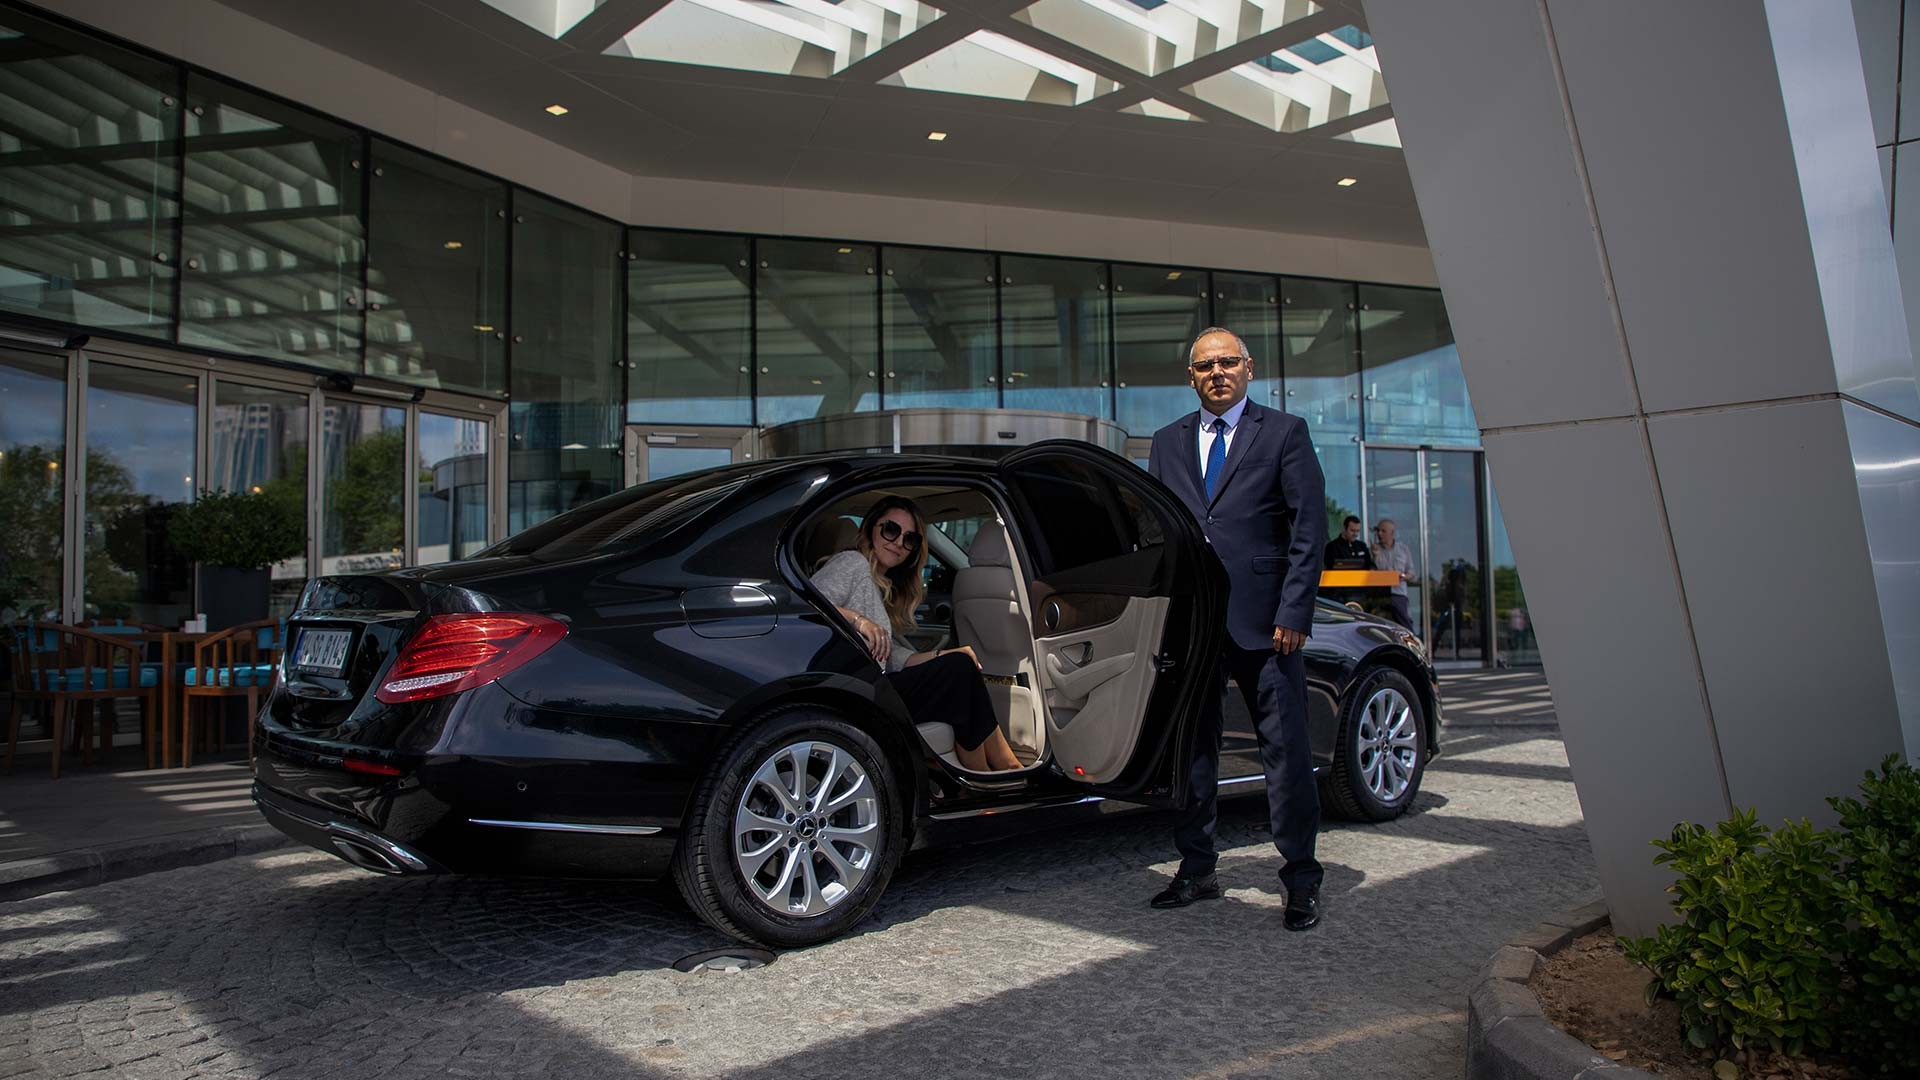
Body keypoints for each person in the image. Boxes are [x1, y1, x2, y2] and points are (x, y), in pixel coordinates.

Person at [1145, 326, 1327, 932]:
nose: (1217, 372)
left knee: (1286, 752)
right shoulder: (1167, 441)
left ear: (1249, 369)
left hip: (1267, 625)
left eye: (1227, 362)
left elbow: (1308, 529)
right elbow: (1159, 533)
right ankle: (1197, 868)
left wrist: (1294, 612)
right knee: (1192, 751)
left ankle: (1301, 877)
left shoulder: (1284, 432)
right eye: (1205, 366)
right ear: (1191, 377)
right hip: (1193, 627)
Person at [811, 495, 1025, 773]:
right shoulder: (851, 562)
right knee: (959, 671)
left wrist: (943, 654)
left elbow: (892, 657)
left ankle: (1001, 770)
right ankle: (990, 773)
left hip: (872, 689)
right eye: (891, 530)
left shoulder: (879, 582)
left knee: (960, 666)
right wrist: (858, 621)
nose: (899, 542)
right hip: (856, 694)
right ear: (871, 528)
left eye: (909, 539)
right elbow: (806, 606)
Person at [1370, 518, 1416, 631]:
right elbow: (1370, 572)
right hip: (1380, 595)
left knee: (1405, 625)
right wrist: (1374, 556)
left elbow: (1411, 572)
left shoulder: (1403, 549)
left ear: (1392, 533)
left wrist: (1403, 577)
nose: (1379, 534)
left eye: (1383, 531)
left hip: (1398, 593)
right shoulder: (1373, 549)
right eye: (1378, 531)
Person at [1322, 515, 1373, 604]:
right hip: (1338, 592)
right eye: (1352, 530)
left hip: (1359, 590)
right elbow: (1330, 566)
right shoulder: (1332, 546)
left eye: (1357, 531)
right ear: (1344, 528)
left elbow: (1369, 564)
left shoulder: (1361, 546)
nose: (1355, 534)